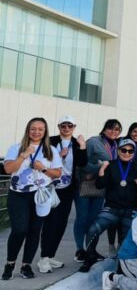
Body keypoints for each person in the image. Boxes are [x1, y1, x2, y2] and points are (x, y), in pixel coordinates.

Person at [2, 118, 63, 280]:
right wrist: (23, 156)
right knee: (19, 229)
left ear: (45, 132)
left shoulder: (51, 150)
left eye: (40, 129)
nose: (36, 132)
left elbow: (58, 173)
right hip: (18, 195)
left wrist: (43, 168)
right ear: (28, 130)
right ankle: (10, 263)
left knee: (35, 230)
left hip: (41, 195)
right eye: (33, 129)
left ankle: (26, 265)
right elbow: (8, 169)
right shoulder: (16, 148)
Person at [80, 139, 137, 272]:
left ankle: (122, 265)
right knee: (92, 230)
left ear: (134, 152)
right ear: (119, 151)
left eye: (130, 151)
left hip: (131, 210)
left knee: (126, 240)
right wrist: (102, 169)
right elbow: (99, 185)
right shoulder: (111, 165)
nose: (127, 153)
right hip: (112, 209)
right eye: (124, 150)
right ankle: (90, 257)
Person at [39, 115, 87, 274]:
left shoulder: (76, 143)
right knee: (50, 222)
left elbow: (82, 163)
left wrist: (82, 146)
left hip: (68, 188)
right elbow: (41, 161)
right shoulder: (50, 141)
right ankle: (43, 257)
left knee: (61, 223)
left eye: (70, 126)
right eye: (63, 125)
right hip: (51, 186)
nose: (67, 128)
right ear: (59, 127)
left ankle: (51, 255)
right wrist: (59, 157)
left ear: (74, 127)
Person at [76, 119, 122, 262]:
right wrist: (99, 168)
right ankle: (79, 250)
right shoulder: (93, 142)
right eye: (111, 128)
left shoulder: (116, 145)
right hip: (86, 184)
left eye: (117, 129)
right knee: (82, 218)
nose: (113, 132)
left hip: (102, 186)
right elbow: (82, 162)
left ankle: (91, 250)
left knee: (93, 219)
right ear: (104, 129)